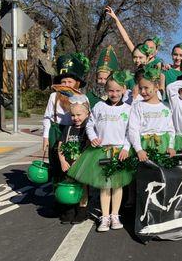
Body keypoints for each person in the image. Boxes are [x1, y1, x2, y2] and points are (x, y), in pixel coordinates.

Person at [68, 71, 133, 232]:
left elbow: (131, 131)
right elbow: (90, 124)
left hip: (120, 152)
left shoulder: (128, 109)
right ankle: (104, 217)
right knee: (105, 186)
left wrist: (126, 148)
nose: (114, 94)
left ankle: (115, 215)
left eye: (118, 90)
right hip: (102, 151)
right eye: (111, 90)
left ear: (124, 89)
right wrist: (93, 137)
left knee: (118, 186)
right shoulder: (99, 106)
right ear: (106, 90)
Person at [43, 53, 90, 188]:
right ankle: (58, 192)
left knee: (74, 162)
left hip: (75, 132)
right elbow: (47, 118)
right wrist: (46, 137)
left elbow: (88, 118)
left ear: (77, 83)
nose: (66, 85)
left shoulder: (83, 98)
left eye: (69, 82)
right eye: (63, 82)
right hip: (57, 130)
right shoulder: (54, 97)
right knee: (57, 164)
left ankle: (76, 192)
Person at [128, 66, 176, 160]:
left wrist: (171, 146)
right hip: (143, 146)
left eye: (146, 88)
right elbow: (133, 129)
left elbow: (171, 129)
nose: (142, 91)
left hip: (163, 146)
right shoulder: (137, 106)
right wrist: (139, 150)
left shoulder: (166, 107)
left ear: (156, 87)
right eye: (140, 88)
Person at [57, 95, 90, 223]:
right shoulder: (68, 128)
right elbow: (61, 145)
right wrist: (63, 161)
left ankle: (82, 212)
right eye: (73, 115)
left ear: (87, 114)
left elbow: (88, 148)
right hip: (68, 165)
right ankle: (69, 211)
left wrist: (79, 162)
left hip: (81, 165)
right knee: (69, 186)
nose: (75, 118)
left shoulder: (87, 130)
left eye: (79, 115)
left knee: (82, 188)